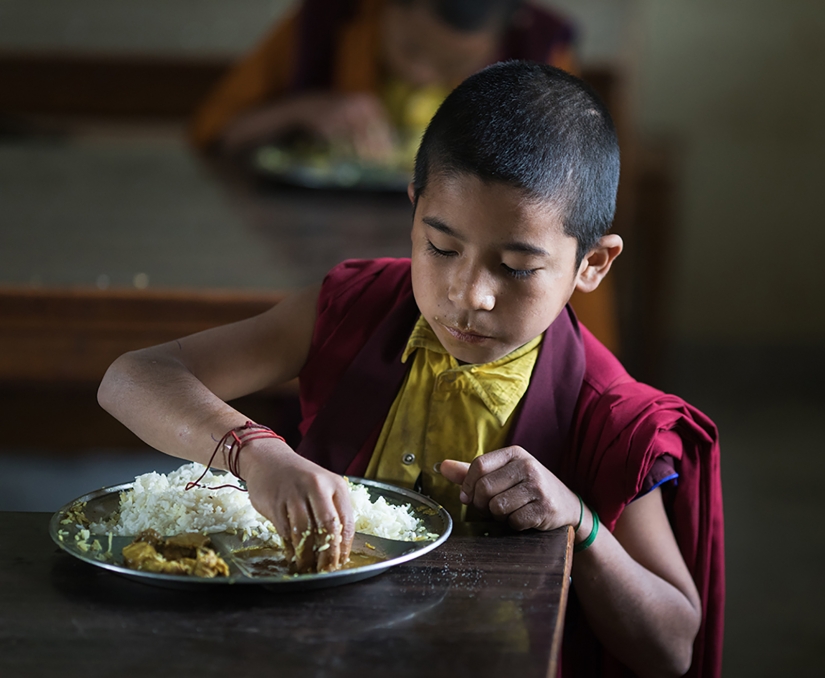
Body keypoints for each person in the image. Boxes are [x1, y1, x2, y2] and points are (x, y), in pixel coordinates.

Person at [99, 62, 723, 678]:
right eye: (441, 248)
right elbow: (132, 377)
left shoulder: (610, 413)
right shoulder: (357, 309)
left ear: (592, 264)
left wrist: (579, 523)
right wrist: (257, 455)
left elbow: (671, 646)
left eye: (514, 267)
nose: (467, 294)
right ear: (413, 208)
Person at [189, 0, 577, 159]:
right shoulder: (328, 19)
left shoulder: (541, 55)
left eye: (453, 63)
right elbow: (215, 130)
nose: (421, 76)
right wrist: (302, 110)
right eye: (409, 49)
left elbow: (573, 188)